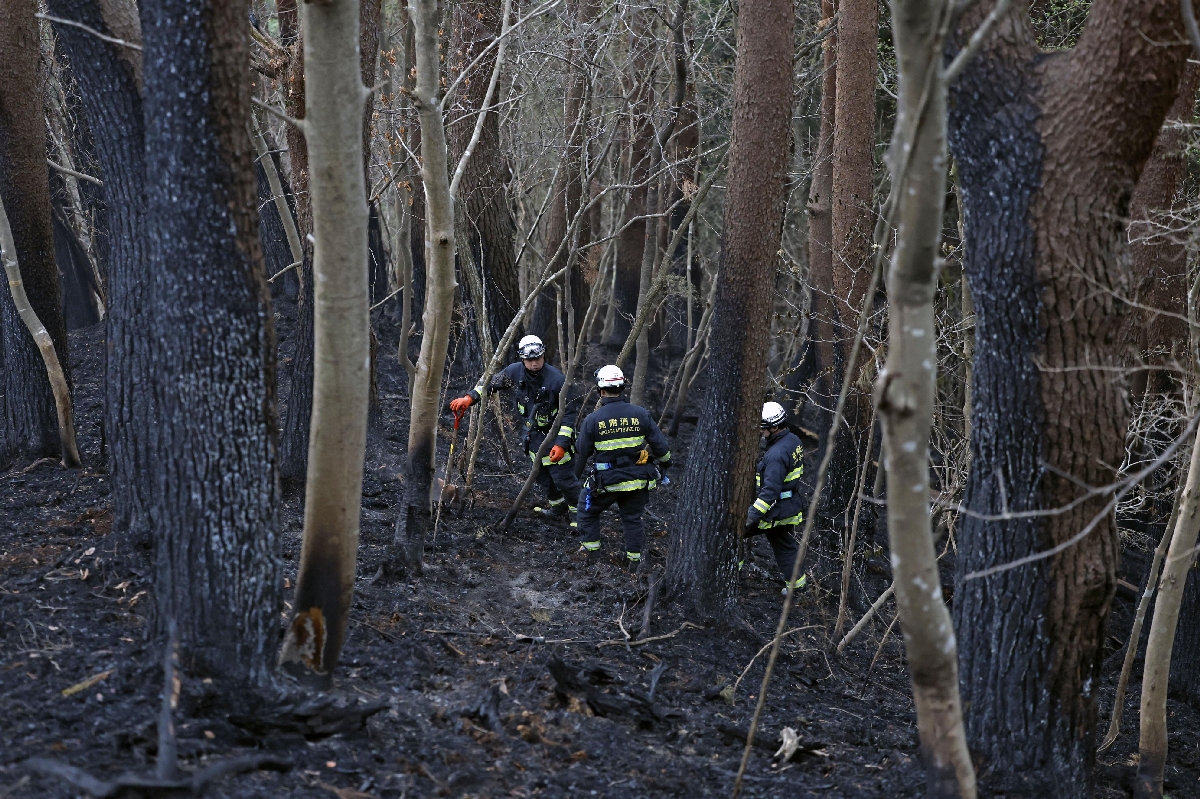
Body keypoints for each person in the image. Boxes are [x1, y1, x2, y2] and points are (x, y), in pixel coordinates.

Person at [450, 335, 581, 526]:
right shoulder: (513, 372)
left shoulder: (557, 380)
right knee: (542, 476)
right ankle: (558, 508)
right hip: (533, 435)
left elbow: (569, 415)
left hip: (554, 434)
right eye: (530, 360)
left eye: (538, 358)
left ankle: (581, 517)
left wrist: (561, 444)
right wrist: (470, 398)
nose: (535, 363)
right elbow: (490, 384)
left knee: (564, 479)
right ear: (522, 358)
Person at [573, 365, 671, 570]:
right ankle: (634, 563)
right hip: (637, 479)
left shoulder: (593, 420)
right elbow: (661, 448)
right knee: (632, 519)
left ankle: (593, 558)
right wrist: (666, 465)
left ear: (601, 391)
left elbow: (583, 451)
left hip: (607, 482)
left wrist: (575, 474)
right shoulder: (641, 414)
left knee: (586, 512)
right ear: (623, 387)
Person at [745, 401, 806, 595]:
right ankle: (798, 586)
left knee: (734, 532)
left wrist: (751, 516)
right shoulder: (793, 440)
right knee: (785, 546)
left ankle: (730, 574)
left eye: (763, 429)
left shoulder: (776, 455)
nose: (761, 433)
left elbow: (770, 492)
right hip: (789, 505)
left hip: (775, 511)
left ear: (774, 427)